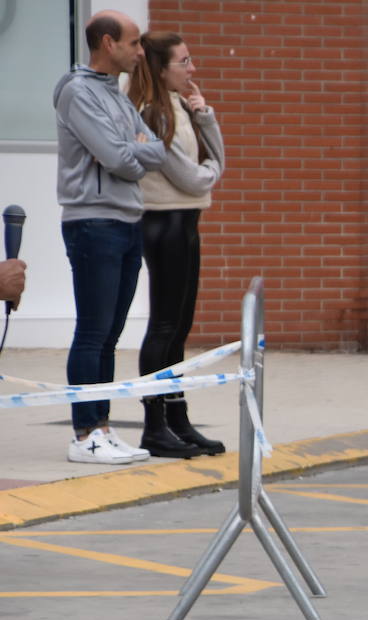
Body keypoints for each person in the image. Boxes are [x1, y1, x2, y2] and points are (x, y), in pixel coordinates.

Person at [54, 10, 166, 465]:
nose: (141, 53)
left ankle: (103, 426)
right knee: (93, 330)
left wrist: (135, 148)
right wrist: (135, 148)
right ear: (107, 43)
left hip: (126, 221)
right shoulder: (78, 92)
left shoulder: (114, 94)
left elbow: (151, 146)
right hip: (93, 223)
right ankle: (83, 434)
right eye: (134, 43)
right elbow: (119, 157)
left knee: (111, 334)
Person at [128, 31, 227, 458]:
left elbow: (216, 160)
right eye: (183, 62)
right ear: (161, 67)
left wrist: (205, 117)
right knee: (164, 325)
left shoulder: (181, 107)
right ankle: (154, 425)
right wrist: (209, 171)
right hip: (163, 220)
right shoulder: (151, 113)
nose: (192, 69)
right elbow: (192, 176)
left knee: (181, 325)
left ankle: (177, 416)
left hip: (188, 220)